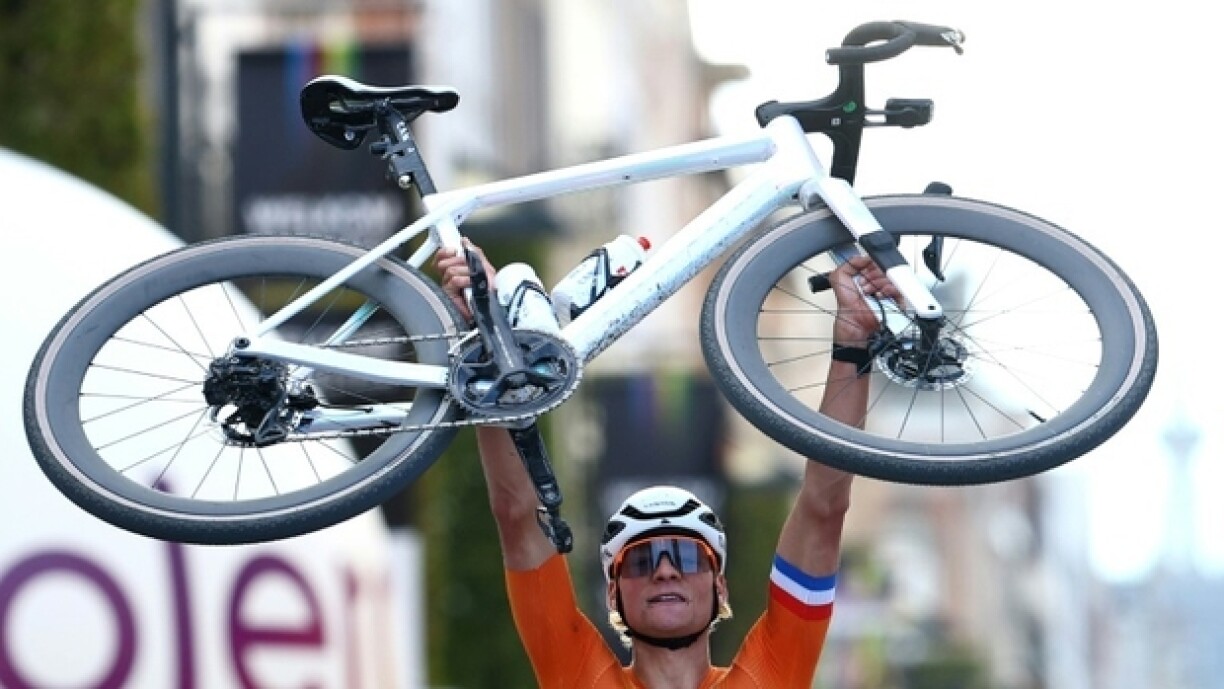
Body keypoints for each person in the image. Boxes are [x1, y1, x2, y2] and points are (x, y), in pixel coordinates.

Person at [434, 240, 898, 689]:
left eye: (686, 555)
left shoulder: (772, 676)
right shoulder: (576, 675)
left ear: (721, 586)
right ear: (613, 594)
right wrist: (488, 337)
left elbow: (825, 506)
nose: (665, 571)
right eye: (640, 561)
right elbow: (518, 518)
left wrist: (853, 340)